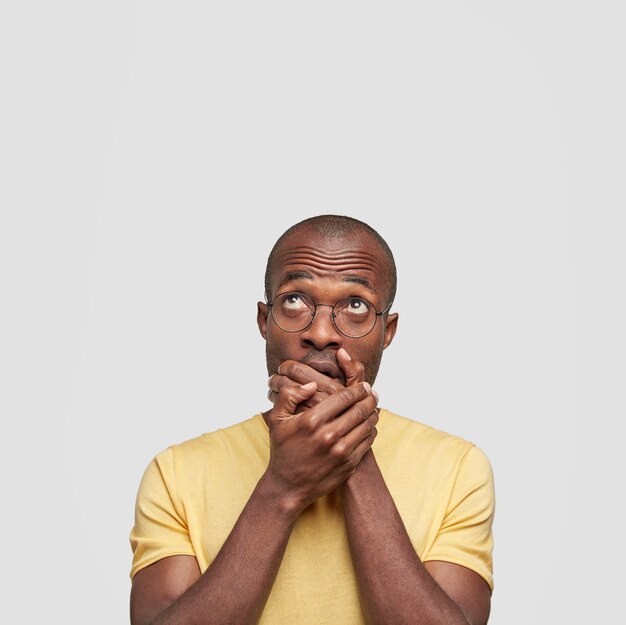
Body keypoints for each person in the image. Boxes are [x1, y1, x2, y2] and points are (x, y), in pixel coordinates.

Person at [129, 215, 495, 625]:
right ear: (263, 321)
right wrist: (282, 486)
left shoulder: (458, 468)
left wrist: (351, 451)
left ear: (387, 331)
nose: (321, 333)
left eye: (356, 305)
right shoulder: (176, 473)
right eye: (295, 300)